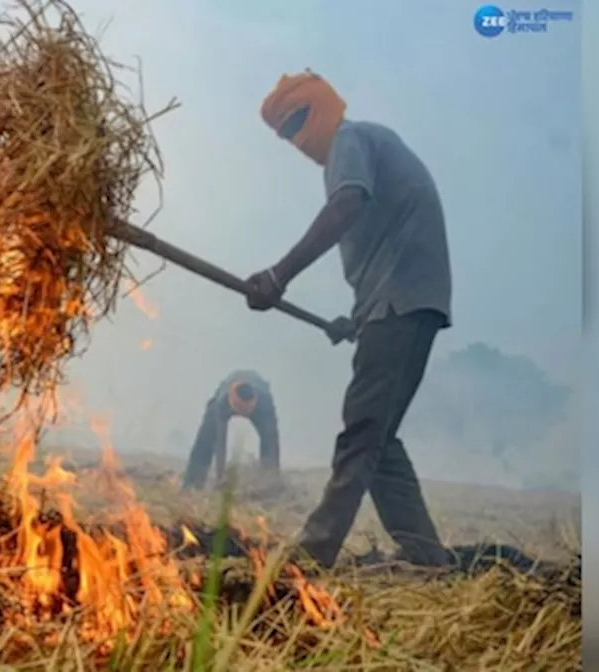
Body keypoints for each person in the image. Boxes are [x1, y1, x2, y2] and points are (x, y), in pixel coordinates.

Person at [244, 70, 453, 569]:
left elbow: (346, 205)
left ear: (321, 106)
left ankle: (313, 553)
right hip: (395, 306)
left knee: (362, 430)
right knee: (378, 437)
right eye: (285, 132)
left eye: (298, 121)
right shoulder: (363, 143)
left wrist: (280, 274)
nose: (296, 138)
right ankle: (427, 557)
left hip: (400, 305)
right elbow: (385, 244)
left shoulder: (349, 139)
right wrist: (355, 321)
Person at [181, 370, 280, 491]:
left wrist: (271, 472)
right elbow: (219, 441)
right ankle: (191, 486)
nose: (242, 414)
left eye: (247, 410)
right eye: (239, 409)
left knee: (270, 444)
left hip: (260, 399)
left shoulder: (264, 403)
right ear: (232, 402)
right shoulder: (222, 402)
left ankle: (271, 488)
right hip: (225, 395)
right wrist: (220, 477)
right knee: (205, 440)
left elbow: (271, 442)